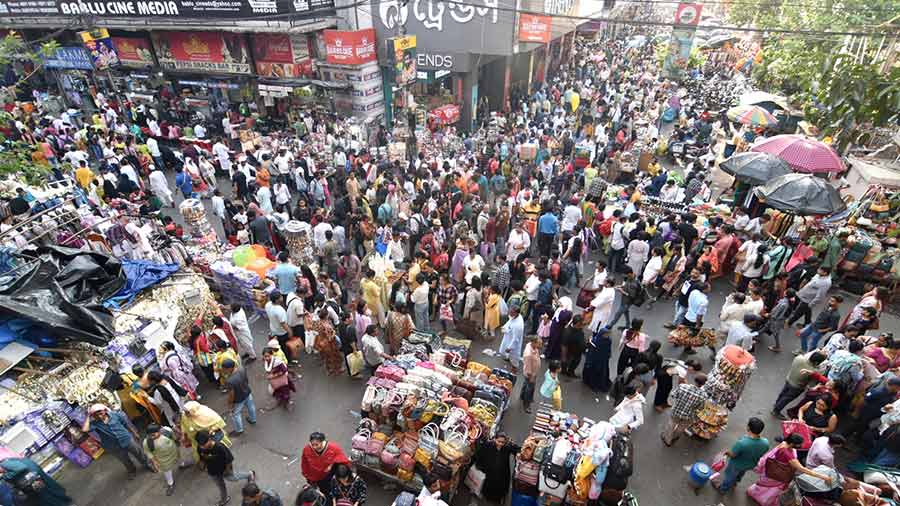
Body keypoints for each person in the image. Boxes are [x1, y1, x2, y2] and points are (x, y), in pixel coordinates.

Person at [746, 433, 832, 506]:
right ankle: (764, 500)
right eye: (799, 444)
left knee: (764, 486)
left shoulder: (784, 443)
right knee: (772, 490)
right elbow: (803, 469)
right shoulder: (788, 454)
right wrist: (823, 477)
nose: (801, 446)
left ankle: (755, 494)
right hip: (779, 475)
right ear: (792, 444)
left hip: (771, 471)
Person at [82, 404, 149, 478]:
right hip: (113, 447)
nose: (99, 417)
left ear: (105, 410)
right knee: (125, 460)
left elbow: (125, 424)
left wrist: (134, 433)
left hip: (127, 439)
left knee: (139, 453)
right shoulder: (95, 424)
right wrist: (88, 416)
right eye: (96, 415)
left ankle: (147, 464)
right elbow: (84, 430)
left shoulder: (115, 415)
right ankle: (132, 470)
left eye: (100, 413)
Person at [196, 429, 255, 506]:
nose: (202, 447)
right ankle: (224, 499)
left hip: (225, 470)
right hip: (212, 472)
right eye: (200, 445)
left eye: (204, 444)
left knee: (233, 478)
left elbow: (229, 460)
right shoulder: (200, 448)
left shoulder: (220, 447)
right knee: (221, 486)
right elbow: (202, 458)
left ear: (210, 439)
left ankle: (249, 474)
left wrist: (227, 471)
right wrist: (203, 466)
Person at [714, 417, 770, 493]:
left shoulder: (742, 443)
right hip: (750, 465)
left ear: (748, 428)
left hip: (736, 464)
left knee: (729, 476)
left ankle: (723, 489)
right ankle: (735, 482)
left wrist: (726, 452)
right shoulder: (766, 443)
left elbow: (733, 455)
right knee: (740, 473)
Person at [772, 351, 827, 420]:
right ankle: (776, 411)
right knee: (786, 399)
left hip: (789, 379)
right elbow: (812, 382)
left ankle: (777, 404)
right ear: (817, 362)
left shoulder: (799, 358)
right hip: (797, 387)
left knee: (783, 393)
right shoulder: (812, 370)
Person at [0, 457, 72, 506]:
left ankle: (63, 502)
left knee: (45, 495)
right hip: (32, 476)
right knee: (48, 490)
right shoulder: (8, 461)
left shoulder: (4, 464)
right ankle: (65, 500)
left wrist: (6, 476)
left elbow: (21, 467)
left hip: (32, 478)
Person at [661, 373, 708, 446]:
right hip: (688, 416)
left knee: (671, 424)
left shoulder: (682, 386)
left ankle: (667, 439)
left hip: (676, 411)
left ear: (695, 380)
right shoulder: (703, 396)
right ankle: (674, 437)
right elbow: (700, 408)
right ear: (703, 384)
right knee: (681, 428)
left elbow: (673, 395)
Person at [475, 433, 521, 504]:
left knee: (500, 487)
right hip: (490, 472)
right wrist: (480, 466)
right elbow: (480, 454)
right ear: (495, 439)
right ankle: (487, 497)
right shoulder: (488, 445)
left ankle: (498, 499)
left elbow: (517, 449)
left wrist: (517, 454)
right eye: (498, 441)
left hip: (502, 473)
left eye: (502, 442)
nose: (500, 444)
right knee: (489, 485)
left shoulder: (507, 446)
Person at [300, 432, 350, 498]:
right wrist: (307, 476)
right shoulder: (306, 449)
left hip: (328, 475)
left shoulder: (334, 448)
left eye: (316, 444)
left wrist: (332, 466)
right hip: (315, 477)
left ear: (322, 442)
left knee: (331, 490)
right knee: (322, 491)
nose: (314, 447)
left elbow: (342, 461)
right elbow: (304, 463)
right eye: (312, 444)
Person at [143, 424, 181, 496]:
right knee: (167, 471)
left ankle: (182, 464)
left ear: (159, 431)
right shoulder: (147, 442)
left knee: (178, 460)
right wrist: (154, 462)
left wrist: (178, 441)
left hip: (173, 452)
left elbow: (174, 437)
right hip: (163, 460)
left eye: (154, 434)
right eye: (150, 435)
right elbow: (148, 453)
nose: (152, 437)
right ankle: (170, 483)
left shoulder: (167, 431)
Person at [221, 359, 257, 436]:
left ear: (229, 368)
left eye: (224, 369)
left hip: (239, 399)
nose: (224, 371)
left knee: (235, 414)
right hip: (247, 392)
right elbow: (246, 380)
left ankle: (239, 430)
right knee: (251, 406)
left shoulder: (230, 381)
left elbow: (231, 394)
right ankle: (253, 419)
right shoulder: (242, 369)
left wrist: (230, 405)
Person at [583, 326, 613, 393]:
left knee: (602, 373)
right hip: (595, 360)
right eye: (606, 334)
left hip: (603, 360)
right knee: (594, 373)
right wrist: (589, 361)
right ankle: (593, 385)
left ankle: (602, 385)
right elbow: (591, 352)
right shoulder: (594, 341)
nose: (607, 336)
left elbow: (608, 349)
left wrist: (609, 355)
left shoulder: (608, 341)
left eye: (608, 334)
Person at [498, 305, 525, 372]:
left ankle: (514, 367)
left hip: (512, 343)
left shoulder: (518, 325)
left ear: (516, 313)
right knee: (505, 351)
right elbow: (509, 322)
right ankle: (508, 358)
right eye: (509, 311)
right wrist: (504, 327)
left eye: (511, 312)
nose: (509, 313)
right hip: (508, 337)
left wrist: (510, 347)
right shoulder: (514, 316)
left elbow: (516, 339)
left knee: (514, 356)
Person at [266, 292, 292, 358]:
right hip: (282, 332)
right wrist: (290, 331)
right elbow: (283, 323)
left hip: (274, 329)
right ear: (277, 300)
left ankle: (279, 356)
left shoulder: (268, 305)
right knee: (284, 347)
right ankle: (287, 359)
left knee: (279, 345)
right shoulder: (279, 310)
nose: (282, 297)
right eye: (280, 297)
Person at [520, 335, 541, 413]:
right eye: (539, 343)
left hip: (533, 372)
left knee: (526, 384)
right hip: (531, 374)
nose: (540, 345)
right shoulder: (529, 354)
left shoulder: (532, 346)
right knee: (530, 388)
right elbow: (528, 367)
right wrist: (531, 377)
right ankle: (526, 404)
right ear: (534, 342)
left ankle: (522, 396)